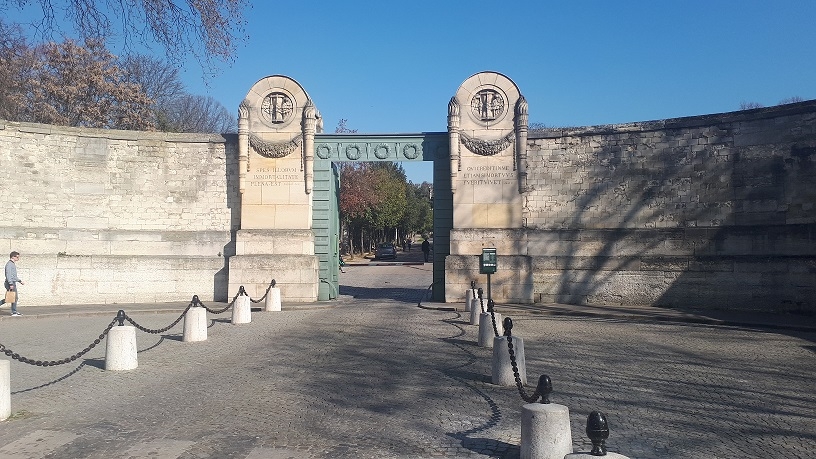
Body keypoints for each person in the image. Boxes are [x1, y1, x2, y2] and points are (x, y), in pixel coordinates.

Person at [4, 251, 24, 316]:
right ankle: (14, 312)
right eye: (17, 257)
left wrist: (20, 281)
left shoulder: (12, 264)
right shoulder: (9, 264)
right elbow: (8, 275)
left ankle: (14, 311)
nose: (18, 258)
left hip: (12, 282)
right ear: (13, 257)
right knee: (13, 297)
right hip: (11, 283)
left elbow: (14, 276)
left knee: (11, 297)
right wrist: (10, 284)